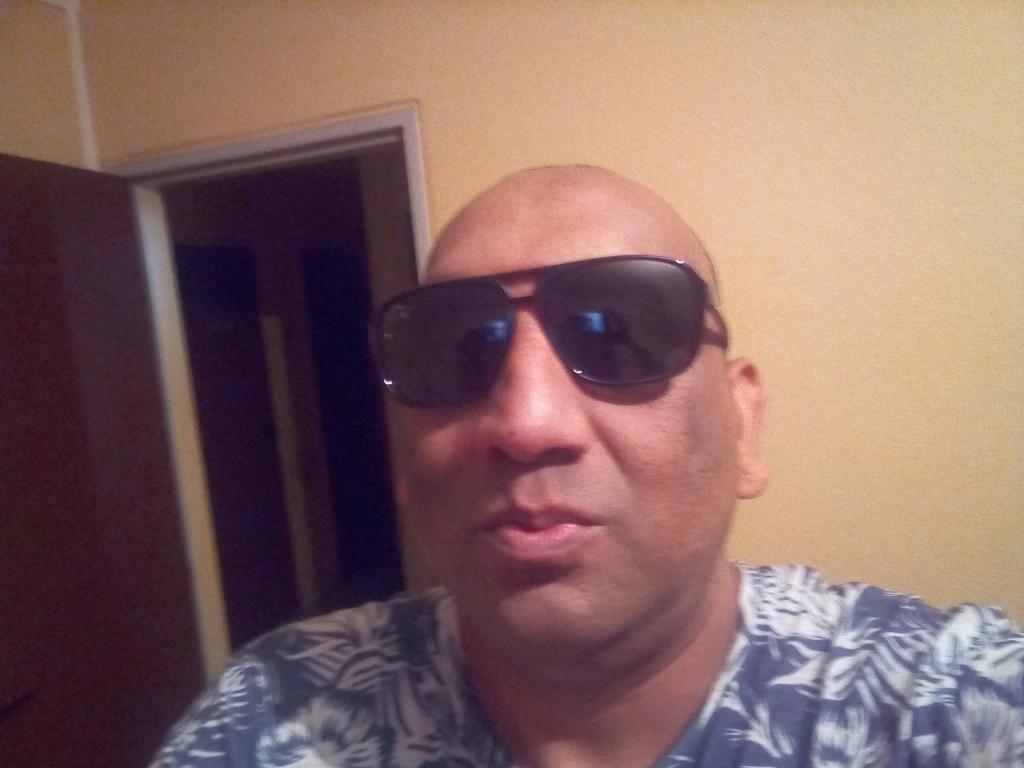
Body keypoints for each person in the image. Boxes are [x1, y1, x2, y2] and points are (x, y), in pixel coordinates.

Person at [152, 166, 1023, 768]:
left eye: (621, 331)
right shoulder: (272, 715)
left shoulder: (948, 707)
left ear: (743, 424)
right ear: (406, 462)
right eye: (455, 348)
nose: (526, 424)